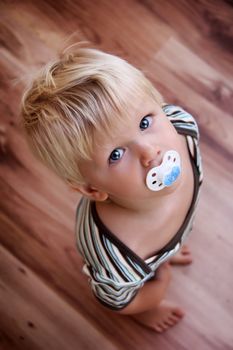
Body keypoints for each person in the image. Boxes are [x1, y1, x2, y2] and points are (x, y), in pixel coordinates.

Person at [21, 46, 203, 333]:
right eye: (116, 155)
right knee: (139, 291)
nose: (150, 151)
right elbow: (116, 301)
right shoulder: (114, 255)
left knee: (167, 249)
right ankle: (149, 303)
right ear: (92, 189)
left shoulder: (183, 130)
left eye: (145, 122)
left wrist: (169, 248)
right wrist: (154, 293)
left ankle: (166, 251)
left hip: (161, 246)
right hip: (135, 268)